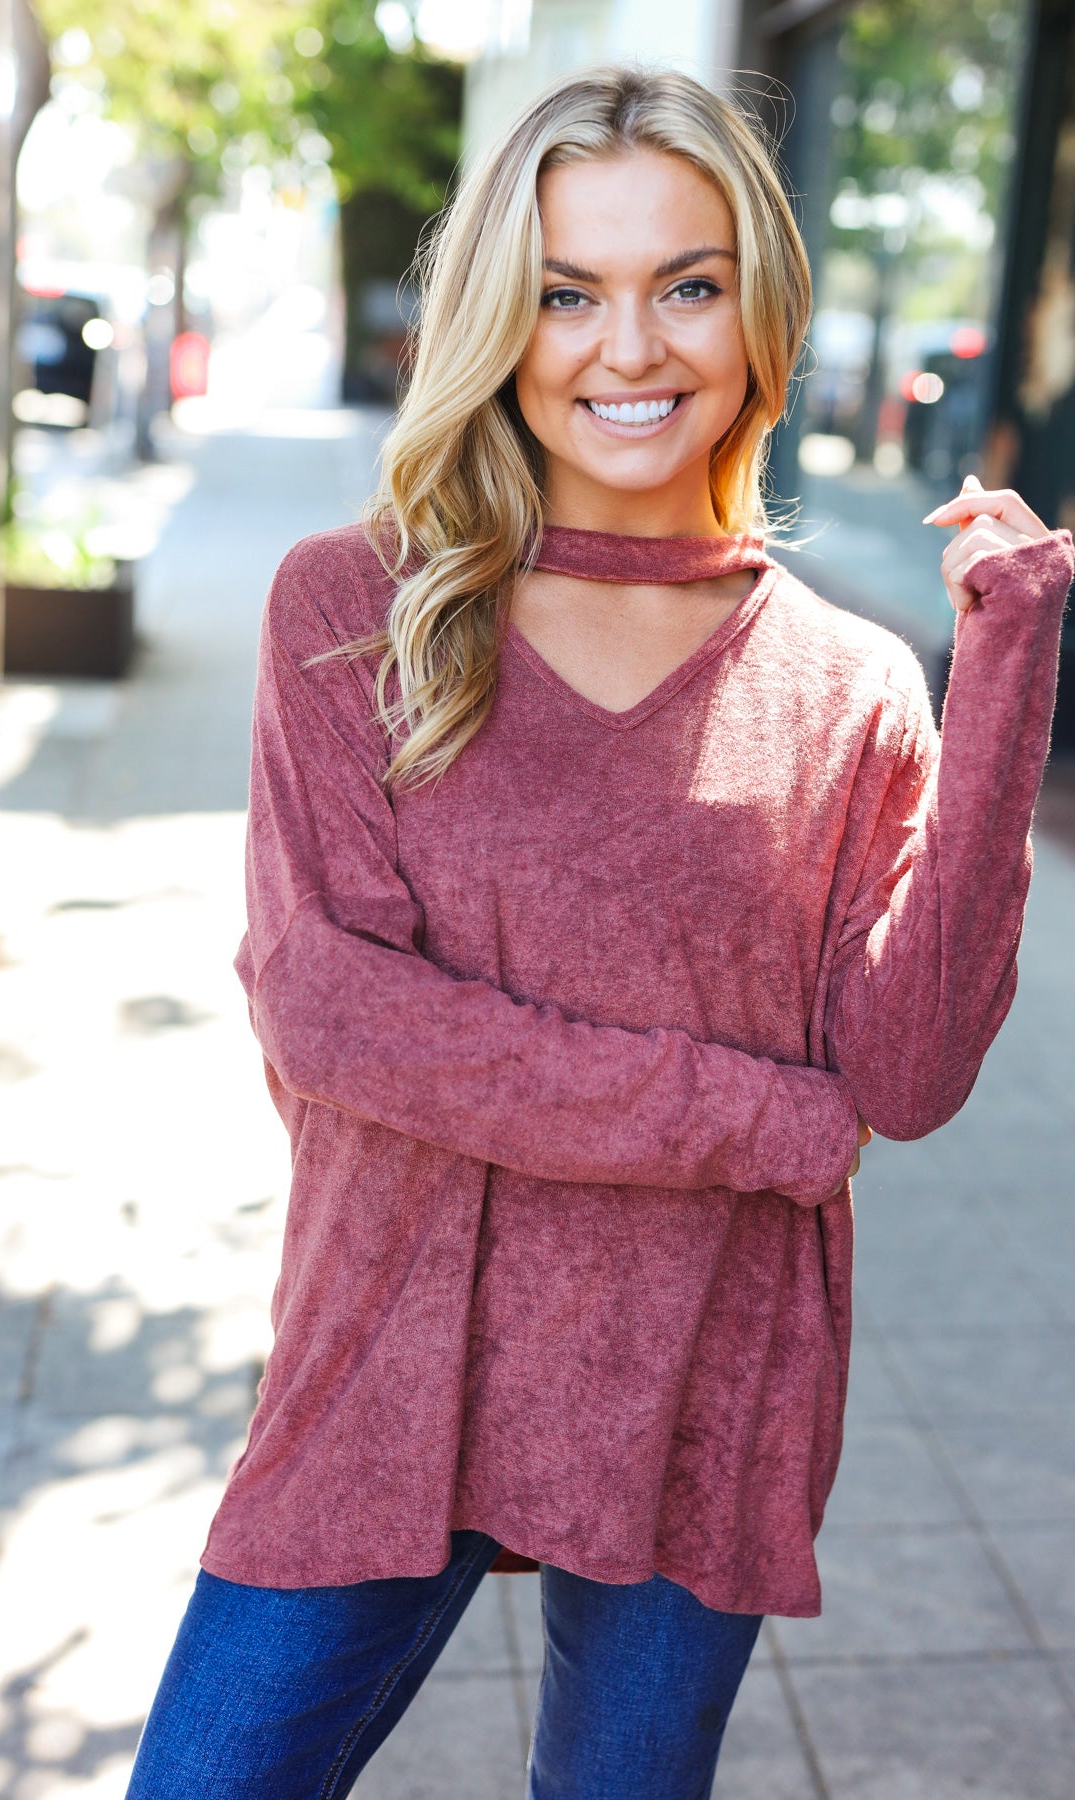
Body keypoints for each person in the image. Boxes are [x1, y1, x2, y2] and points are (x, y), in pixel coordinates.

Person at [125, 65, 1072, 1800]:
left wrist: (1003, 667)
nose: (628, 347)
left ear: (759, 308)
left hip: (705, 1372)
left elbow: (908, 1075)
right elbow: (334, 1011)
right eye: (569, 293)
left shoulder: (848, 684)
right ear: (503, 318)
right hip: (388, 1362)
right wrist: (758, 1119)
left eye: (685, 284)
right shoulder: (360, 606)